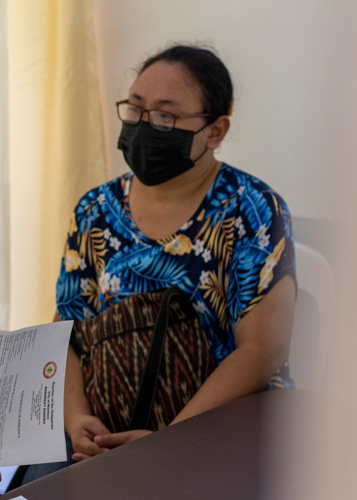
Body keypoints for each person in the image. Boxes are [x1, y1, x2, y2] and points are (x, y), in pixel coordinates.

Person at [23, 44, 297, 483]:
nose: (146, 125)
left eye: (166, 116)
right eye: (135, 109)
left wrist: (167, 440)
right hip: (101, 429)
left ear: (215, 130)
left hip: (215, 427)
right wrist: (76, 422)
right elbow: (66, 334)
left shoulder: (254, 210)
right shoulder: (96, 209)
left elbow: (262, 350)